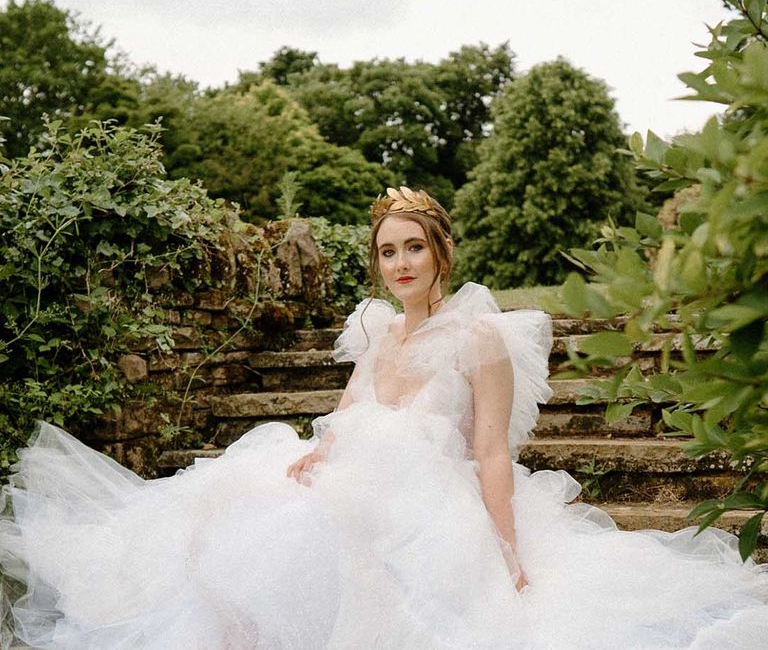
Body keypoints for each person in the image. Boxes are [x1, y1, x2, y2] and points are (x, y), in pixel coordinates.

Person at [1, 186, 767, 649]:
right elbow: (348, 409)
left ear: (441, 252)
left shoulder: (479, 337)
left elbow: (491, 453)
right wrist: (320, 450)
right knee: (222, 515)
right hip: (357, 478)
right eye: (387, 253)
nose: (399, 264)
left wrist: (506, 550)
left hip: (431, 498)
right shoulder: (374, 327)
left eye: (413, 249)